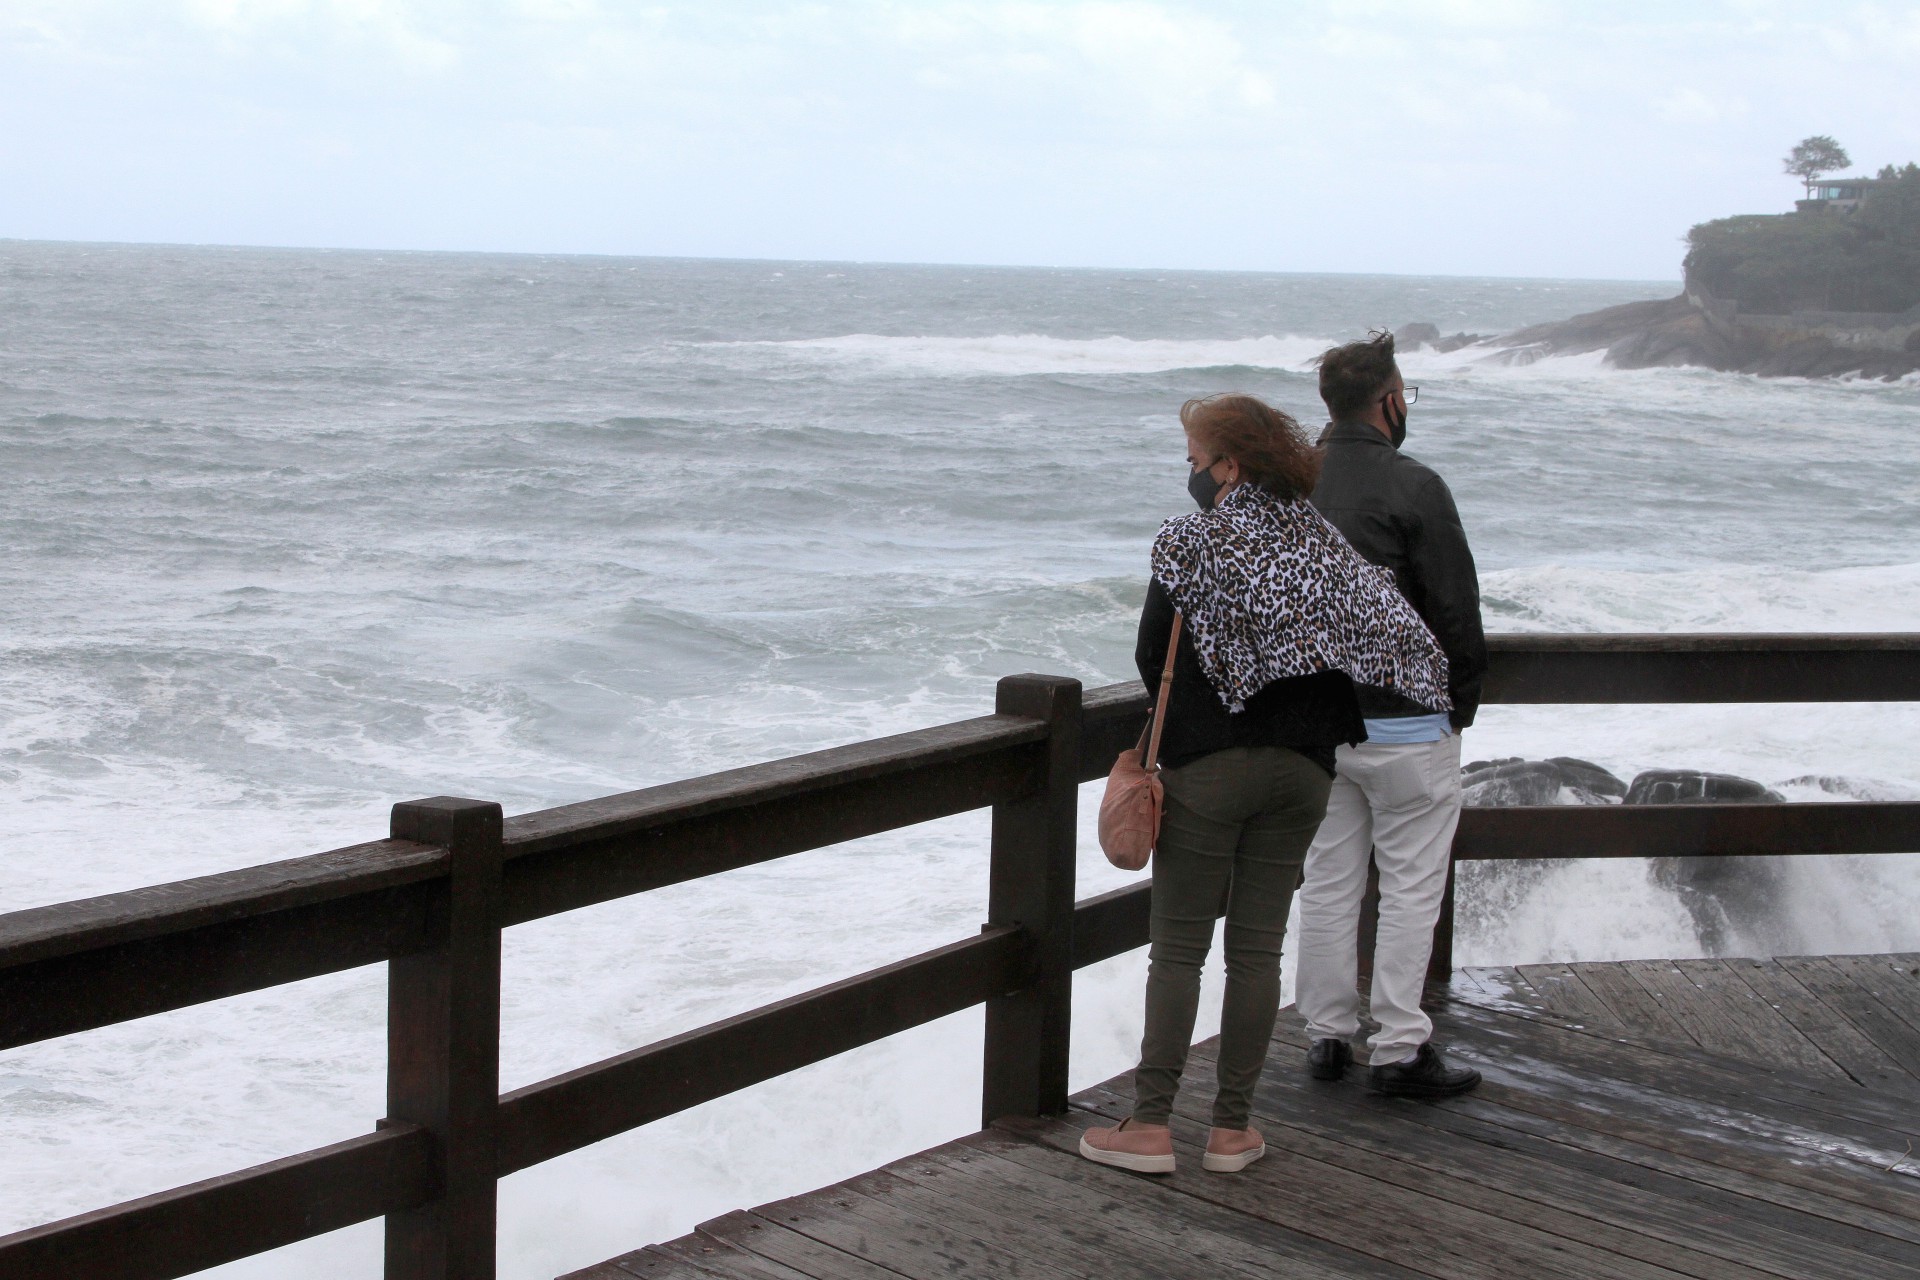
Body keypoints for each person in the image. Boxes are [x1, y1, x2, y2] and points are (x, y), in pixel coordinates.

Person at [1080, 394, 1450, 1175]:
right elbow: (1395, 638)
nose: (1188, 474)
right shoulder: (1324, 544)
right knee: (1257, 951)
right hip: (1308, 768)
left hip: (1212, 762)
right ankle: (1231, 1131)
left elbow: (1156, 658)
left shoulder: (1193, 540)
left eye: (1193, 461)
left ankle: (1149, 1127)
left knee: (1179, 950)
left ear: (1230, 466)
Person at [1295, 331, 1488, 1097]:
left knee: (1329, 879)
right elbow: (1455, 609)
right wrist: (1458, 707)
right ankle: (1400, 1047)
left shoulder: (1291, 484)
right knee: (1410, 885)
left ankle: (1325, 1035)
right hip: (1407, 724)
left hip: (1315, 722)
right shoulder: (1414, 486)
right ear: (1390, 400)